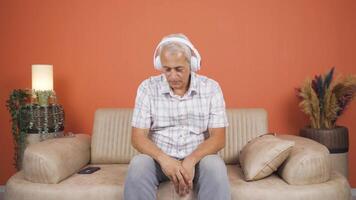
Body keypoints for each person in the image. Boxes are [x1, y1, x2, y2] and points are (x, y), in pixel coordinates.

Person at [123, 33, 231, 200]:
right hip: (160, 161)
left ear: (192, 64)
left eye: (179, 69)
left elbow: (219, 138)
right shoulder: (147, 88)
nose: (172, 76)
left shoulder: (211, 88)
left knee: (215, 166)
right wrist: (164, 159)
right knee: (138, 165)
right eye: (167, 69)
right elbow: (137, 137)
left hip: (198, 161)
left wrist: (191, 159)